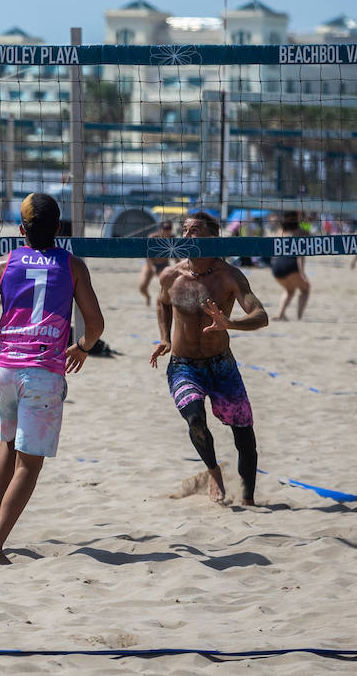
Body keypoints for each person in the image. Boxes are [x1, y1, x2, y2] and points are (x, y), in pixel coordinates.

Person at [0, 193, 104, 564]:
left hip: (5, 367)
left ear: (21, 229)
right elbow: (96, 323)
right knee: (29, 464)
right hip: (42, 370)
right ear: (59, 228)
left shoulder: (3, 263)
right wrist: (83, 347)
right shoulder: (73, 266)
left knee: (5, 444)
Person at [149, 210, 268, 506]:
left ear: (213, 239)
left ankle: (249, 498)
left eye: (195, 231)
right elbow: (162, 303)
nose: (188, 236)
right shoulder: (171, 275)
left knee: (245, 438)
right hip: (183, 366)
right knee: (195, 420)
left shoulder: (228, 275)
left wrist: (231, 324)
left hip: (221, 365)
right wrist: (164, 337)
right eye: (185, 231)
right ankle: (213, 472)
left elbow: (261, 316)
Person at [270, 216, 310, 320]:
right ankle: (299, 317)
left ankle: (280, 314)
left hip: (276, 266)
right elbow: (300, 256)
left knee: (289, 290)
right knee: (305, 289)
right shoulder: (300, 233)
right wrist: (302, 273)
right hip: (291, 265)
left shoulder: (280, 231)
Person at [138, 219, 174, 305]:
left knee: (165, 287)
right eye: (165, 228)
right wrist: (152, 267)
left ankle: (160, 302)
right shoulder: (153, 237)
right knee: (142, 287)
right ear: (160, 229)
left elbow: (176, 255)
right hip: (150, 264)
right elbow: (147, 254)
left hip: (164, 265)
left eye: (169, 228)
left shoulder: (172, 239)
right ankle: (147, 297)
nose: (167, 230)